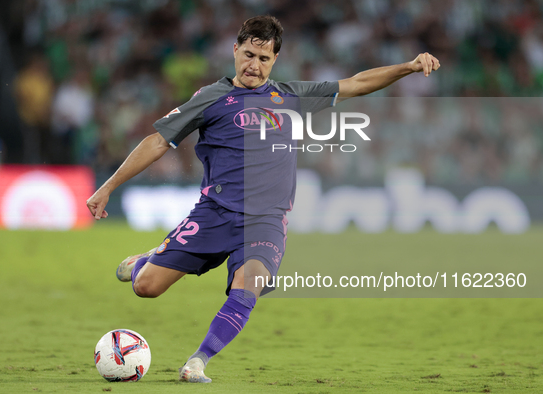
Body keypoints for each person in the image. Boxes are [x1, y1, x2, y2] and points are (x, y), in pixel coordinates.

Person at [86, 15, 440, 383]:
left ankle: (197, 361)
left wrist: (409, 67)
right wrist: (108, 185)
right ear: (235, 50)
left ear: (275, 60)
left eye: (264, 59)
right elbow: (158, 142)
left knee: (249, 284)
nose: (254, 65)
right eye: (249, 54)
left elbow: (356, 84)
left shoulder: (291, 97)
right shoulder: (211, 98)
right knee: (146, 288)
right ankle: (147, 260)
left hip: (266, 221)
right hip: (215, 214)